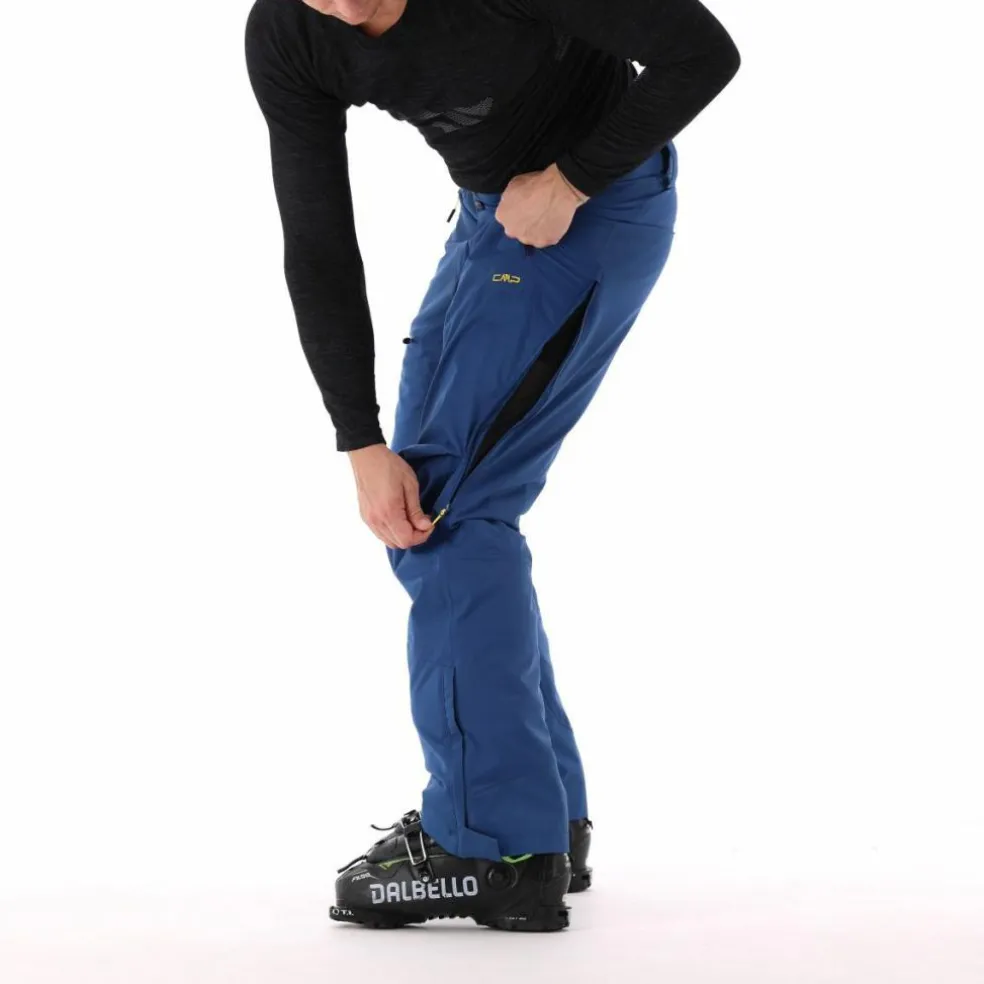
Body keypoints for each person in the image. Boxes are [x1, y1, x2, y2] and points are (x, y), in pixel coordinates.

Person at [244, 0, 739, 932]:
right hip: (491, 219)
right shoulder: (287, 33)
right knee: (431, 507)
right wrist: (359, 440)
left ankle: (494, 847)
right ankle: (538, 820)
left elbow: (701, 52)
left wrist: (574, 177)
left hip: (589, 209)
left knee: (451, 517)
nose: (342, 8)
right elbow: (316, 235)